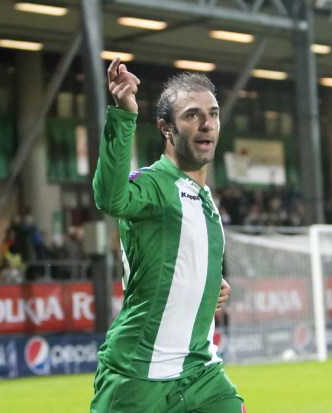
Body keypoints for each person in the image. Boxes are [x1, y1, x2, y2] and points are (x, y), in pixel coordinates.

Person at [90, 57, 244, 412]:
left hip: (200, 371)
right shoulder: (154, 185)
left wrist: (208, 285)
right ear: (166, 129)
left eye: (213, 113)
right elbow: (110, 198)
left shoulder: (205, 196)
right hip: (138, 375)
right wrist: (124, 114)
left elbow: (180, 258)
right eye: (192, 115)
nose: (207, 124)